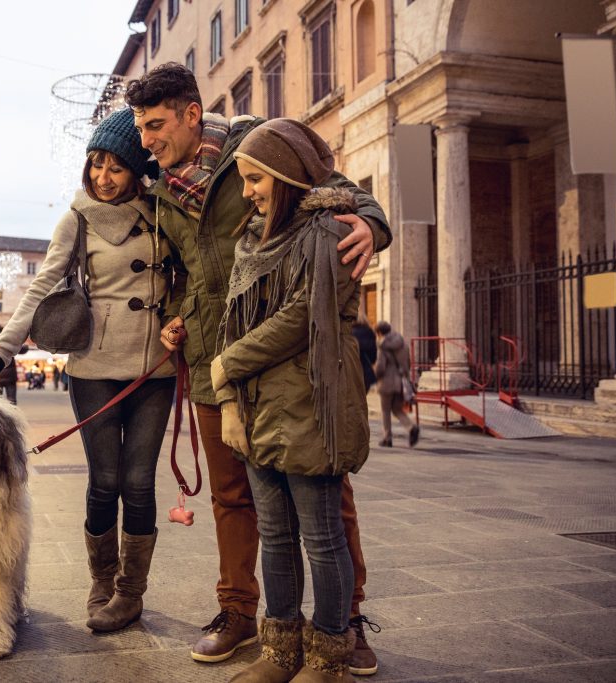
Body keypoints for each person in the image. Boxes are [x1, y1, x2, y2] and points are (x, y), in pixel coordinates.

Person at [128, 63, 390, 669]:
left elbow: (347, 192)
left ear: (193, 115)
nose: (148, 140)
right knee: (231, 495)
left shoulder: (263, 147)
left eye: (156, 125)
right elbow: (176, 273)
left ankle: (344, 624)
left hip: (290, 366)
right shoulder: (164, 190)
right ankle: (242, 613)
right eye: (142, 129)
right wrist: (177, 313)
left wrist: (371, 226)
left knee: (328, 497)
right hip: (212, 361)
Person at [0, 107, 177, 634]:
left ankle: (130, 593)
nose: (103, 178)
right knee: (104, 479)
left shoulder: (165, 211)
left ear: (137, 169)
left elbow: (188, 278)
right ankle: (102, 578)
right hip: (94, 365)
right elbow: (44, 285)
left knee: (138, 482)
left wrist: (180, 319)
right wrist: (2, 350)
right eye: (95, 165)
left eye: (115, 167)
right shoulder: (78, 216)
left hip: (154, 367)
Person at [210, 118, 375, 682]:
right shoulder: (252, 240)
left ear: (285, 173)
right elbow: (235, 320)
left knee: (323, 538)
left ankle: (328, 657)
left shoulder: (330, 230)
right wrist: (229, 397)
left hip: (312, 402)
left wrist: (228, 364)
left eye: (256, 179)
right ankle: (280, 650)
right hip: (260, 408)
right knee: (276, 536)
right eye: (244, 180)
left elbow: (304, 316)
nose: (248, 192)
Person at [374, 321, 419, 448]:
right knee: (397, 409)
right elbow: (408, 364)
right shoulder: (403, 344)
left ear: (379, 333)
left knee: (385, 410)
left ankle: (387, 438)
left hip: (386, 383)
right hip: (401, 382)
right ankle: (411, 428)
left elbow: (381, 367)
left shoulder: (382, 346)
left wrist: (375, 374)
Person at [0, 323, 22, 404]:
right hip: (10, 376)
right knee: (12, 401)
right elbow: (22, 349)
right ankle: (13, 415)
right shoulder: (8, 340)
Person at [352, 313, 378, 394]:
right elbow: (374, 355)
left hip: (352, 370)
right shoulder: (371, 333)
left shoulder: (349, 333)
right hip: (366, 371)